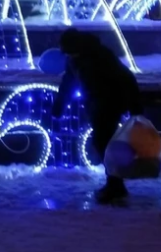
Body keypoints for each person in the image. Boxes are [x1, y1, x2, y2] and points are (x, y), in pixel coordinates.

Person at [58, 28, 142, 204]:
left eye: (70, 51)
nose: (68, 55)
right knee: (102, 143)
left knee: (103, 142)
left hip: (111, 103)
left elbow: (125, 77)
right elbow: (68, 81)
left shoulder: (100, 55)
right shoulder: (74, 59)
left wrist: (135, 107)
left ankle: (116, 185)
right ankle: (115, 183)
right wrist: (59, 104)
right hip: (96, 104)